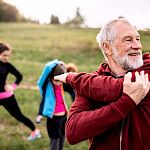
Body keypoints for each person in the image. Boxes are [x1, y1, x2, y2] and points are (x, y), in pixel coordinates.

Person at [54, 18, 150, 150]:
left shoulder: (148, 67)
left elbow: (116, 87)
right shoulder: (91, 83)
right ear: (107, 47)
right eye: (128, 40)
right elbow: (72, 132)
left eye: (138, 39)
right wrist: (126, 102)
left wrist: (74, 78)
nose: (138, 46)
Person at [0, 42, 41, 141]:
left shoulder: (7, 66)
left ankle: (35, 131)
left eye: (8, 55)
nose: (6, 58)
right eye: (4, 55)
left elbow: (19, 76)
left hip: (6, 96)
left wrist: (13, 86)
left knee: (18, 116)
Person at [36, 59, 68, 150]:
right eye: (56, 80)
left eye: (60, 80)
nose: (58, 83)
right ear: (51, 77)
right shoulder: (46, 86)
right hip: (53, 119)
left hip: (63, 117)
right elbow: (44, 73)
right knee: (55, 141)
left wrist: (62, 66)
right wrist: (58, 62)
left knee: (62, 138)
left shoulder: (61, 84)